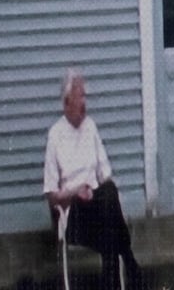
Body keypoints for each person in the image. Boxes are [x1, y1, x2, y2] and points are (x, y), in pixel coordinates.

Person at [44, 70, 138, 290]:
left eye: (85, 96)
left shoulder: (91, 127)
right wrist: (75, 191)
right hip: (75, 216)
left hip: (99, 208)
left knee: (109, 192)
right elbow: (51, 195)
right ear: (67, 102)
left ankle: (117, 277)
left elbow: (106, 175)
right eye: (81, 97)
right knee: (111, 229)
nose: (85, 102)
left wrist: (94, 191)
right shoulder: (55, 135)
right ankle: (130, 261)